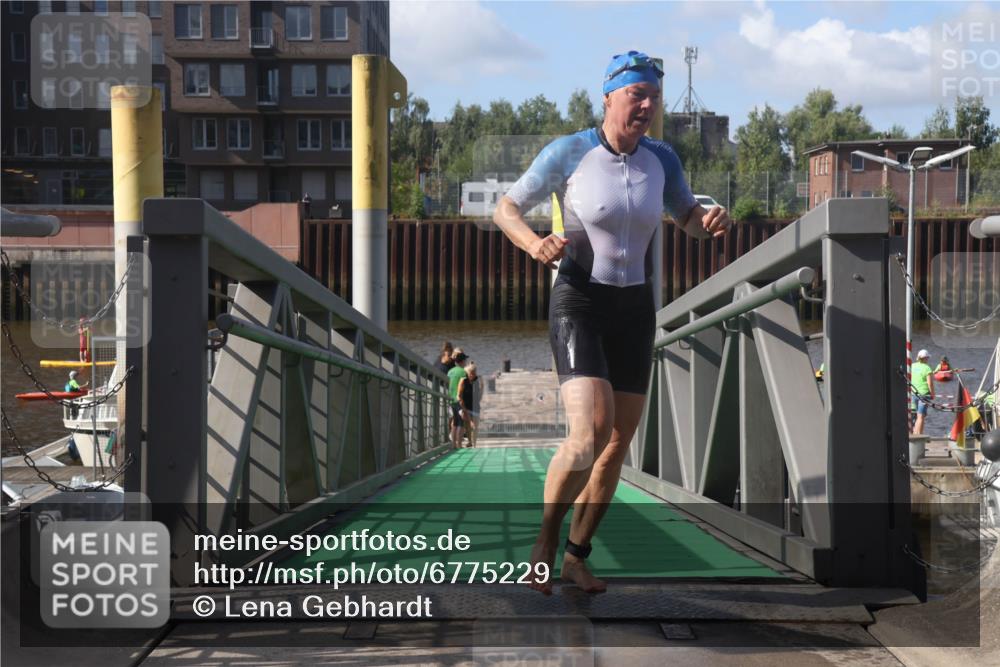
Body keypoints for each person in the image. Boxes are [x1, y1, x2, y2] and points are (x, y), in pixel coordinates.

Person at [494, 51, 732, 595]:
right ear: (608, 97)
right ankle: (545, 541)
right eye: (636, 95)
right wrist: (535, 243)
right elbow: (505, 208)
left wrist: (708, 221)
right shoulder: (569, 152)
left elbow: (687, 219)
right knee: (589, 432)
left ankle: (578, 556)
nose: (647, 105)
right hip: (579, 298)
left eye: (653, 96)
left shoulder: (663, 159)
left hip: (634, 309)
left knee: (618, 442)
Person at [447, 350, 469, 449]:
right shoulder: (463, 372)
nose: (466, 362)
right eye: (465, 360)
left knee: (455, 423)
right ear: (462, 361)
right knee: (461, 423)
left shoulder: (450, 371)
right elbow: (465, 387)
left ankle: (453, 444)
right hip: (460, 400)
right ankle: (459, 444)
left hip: (451, 399)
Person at [458, 362, 482, 448]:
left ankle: (474, 444)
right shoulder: (463, 381)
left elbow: (480, 393)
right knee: (467, 426)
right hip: (465, 405)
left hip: (475, 406)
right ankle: (470, 441)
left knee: (475, 427)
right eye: (470, 373)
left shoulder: (478, 380)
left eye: (474, 373)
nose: (472, 375)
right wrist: (464, 410)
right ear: (467, 374)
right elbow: (459, 396)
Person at [911, 349, 935, 435]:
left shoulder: (912, 366)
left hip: (913, 393)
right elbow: (930, 383)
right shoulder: (927, 368)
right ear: (926, 358)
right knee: (921, 416)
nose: (928, 359)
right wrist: (932, 394)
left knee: (917, 416)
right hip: (924, 394)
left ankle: (915, 434)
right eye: (927, 358)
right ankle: (919, 436)